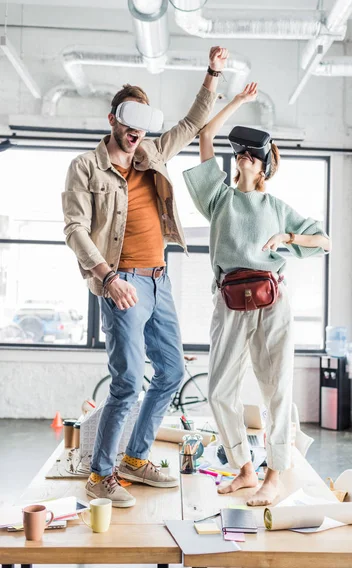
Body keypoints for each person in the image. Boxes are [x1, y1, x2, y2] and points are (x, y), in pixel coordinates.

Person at [62, 46, 229, 507]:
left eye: (142, 128)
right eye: (129, 126)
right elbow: (75, 227)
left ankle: (135, 457)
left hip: (160, 280)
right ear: (111, 119)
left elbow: (192, 124)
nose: (136, 135)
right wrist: (107, 277)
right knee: (127, 380)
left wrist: (212, 73)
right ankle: (100, 475)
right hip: (122, 283)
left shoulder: (152, 152)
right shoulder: (86, 167)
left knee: (172, 371)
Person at [183, 82, 331, 506]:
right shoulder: (218, 198)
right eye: (241, 153)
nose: (245, 157)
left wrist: (287, 236)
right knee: (219, 391)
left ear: (263, 166)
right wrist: (238, 102)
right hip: (230, 300)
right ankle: (244, 469)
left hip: (273, 301)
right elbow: (206, 136)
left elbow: (325, 242)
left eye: (253, 154)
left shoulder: (278, 208)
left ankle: (274, 474)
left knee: (277, 390)